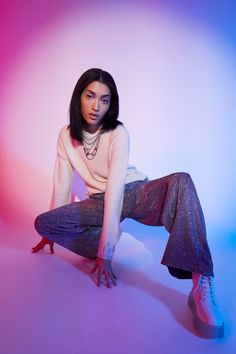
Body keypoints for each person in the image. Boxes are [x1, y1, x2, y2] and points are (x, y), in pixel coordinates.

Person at [32, 68, 224, 338]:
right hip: (98, 202)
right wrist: (51, 230)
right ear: (79, 98)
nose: (96, 105)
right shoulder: (66, 136)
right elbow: (61, 183)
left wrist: (106, 254)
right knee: (42, 222)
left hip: (133, 191)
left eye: (104, 99)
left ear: (111, 104)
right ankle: (101, 237)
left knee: (182, 180)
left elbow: (116, 190)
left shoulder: (118, 133)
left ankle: (201, 279)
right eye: (90, 96)